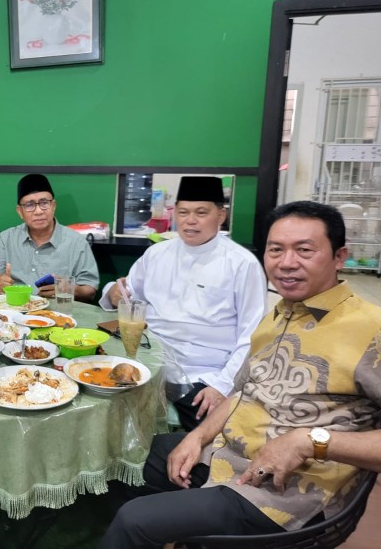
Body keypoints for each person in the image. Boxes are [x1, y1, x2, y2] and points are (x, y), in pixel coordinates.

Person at [99, 201, 381, 548]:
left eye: (304, 250)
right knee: (121, 458)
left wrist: (310, 441)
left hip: (284, 492)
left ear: (339, 257)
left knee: (135, 520)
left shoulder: (370, 328)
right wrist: (197, 437)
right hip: (226, 454)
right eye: (276, 250)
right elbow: (243, 392)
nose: (287, 262)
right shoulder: (280, 314)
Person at [99, 176, 266, 430]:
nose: (190, 220)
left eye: (201, 212)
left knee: (209, 441)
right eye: (183, 212)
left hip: (204, 374)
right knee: (103, 408)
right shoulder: (157, 254)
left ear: (221, 215)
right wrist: (112, 292)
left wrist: (221, 386)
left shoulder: (242, 264)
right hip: (148, 360)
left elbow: (253, 336)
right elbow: (125, 292)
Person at [0, 173, 99, 301]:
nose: (38, 211)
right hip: (15, 307)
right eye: (29, 205)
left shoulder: (76, 242)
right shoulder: (7, 238)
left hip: (57, 309)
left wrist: (68, 288)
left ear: (53, 206)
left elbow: (90, 290)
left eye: (44, 203)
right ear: (20, 211)